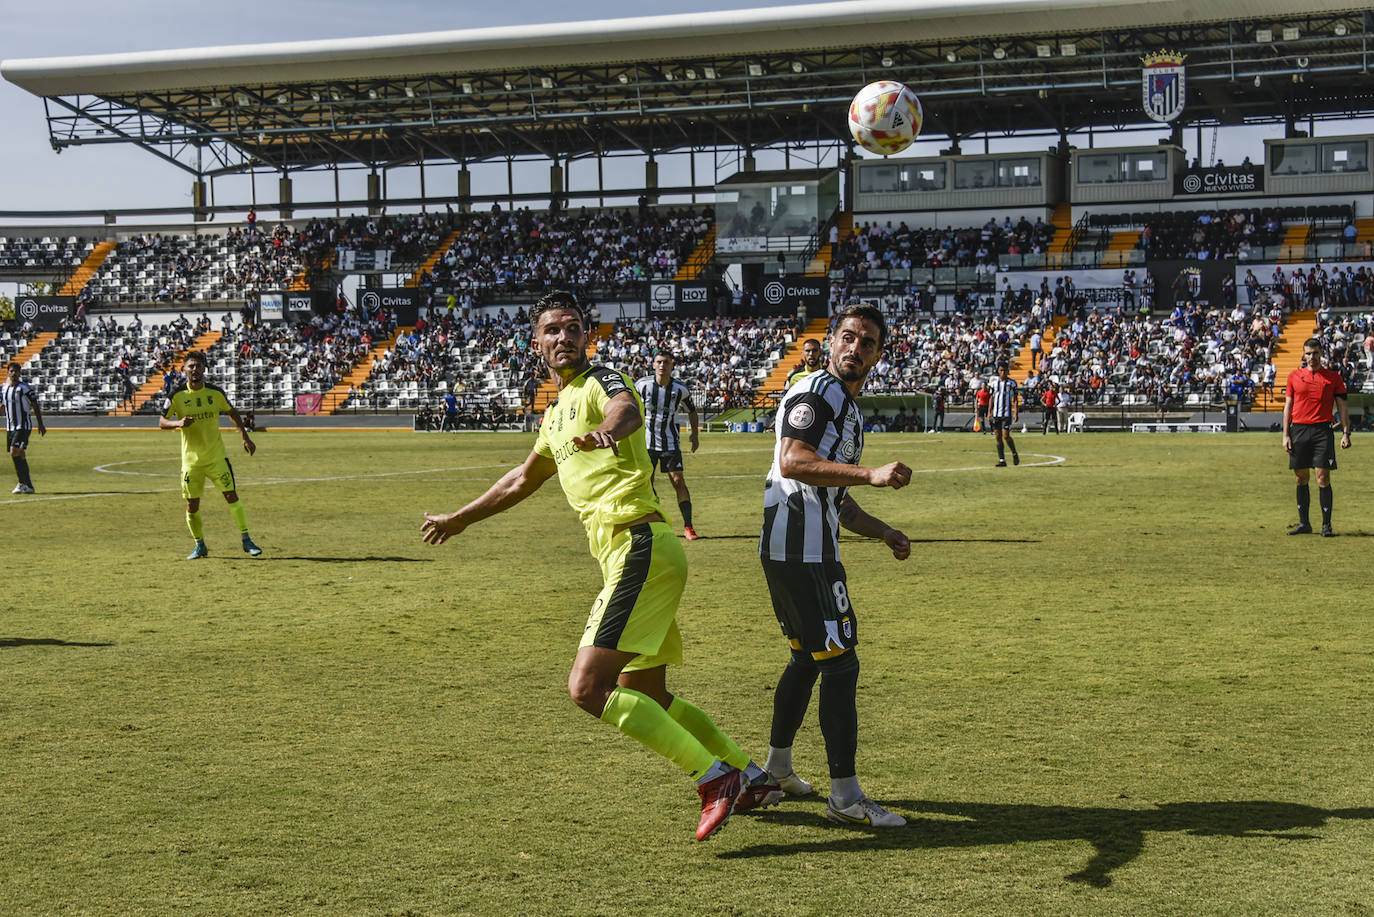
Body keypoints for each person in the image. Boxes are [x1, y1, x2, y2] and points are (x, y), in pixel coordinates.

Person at [421, 291, 777, 842]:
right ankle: (753, 776)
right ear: (536, 343)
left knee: (587, 688)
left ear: (587, 336)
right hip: (642, 552)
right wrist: (461, 518)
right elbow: (520, 480)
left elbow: (626, 409)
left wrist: (612, 429)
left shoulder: (602, 380)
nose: (563, 337)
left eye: (573, 328)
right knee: (649, 694)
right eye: (552, 330)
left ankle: (715, 779)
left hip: (636, 544)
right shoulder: (553, 413)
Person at [759, 302, 912, 828]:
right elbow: (793, 460)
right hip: (803, 552)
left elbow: (838, 500)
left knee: (807, 659)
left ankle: (777, 770)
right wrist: (870, 472)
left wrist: (884, 531)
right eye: (848, 337)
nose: (855, 348)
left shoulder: (849, 410)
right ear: (832, 343)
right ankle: (845, 796)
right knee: (841, 664)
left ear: (878, 355)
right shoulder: (818, 391)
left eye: (867, 342)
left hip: (801, 547)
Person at [159, 350, 262, 559]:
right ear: (184, 369)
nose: (194, 369)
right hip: (191, 462)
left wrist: (245, 436)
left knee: (231, 496)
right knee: (191, 504)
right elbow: (162, 422)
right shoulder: (176, 396)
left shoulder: (215, 393)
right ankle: (199, 545)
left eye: (198, 365)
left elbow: (232, 412)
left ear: (204, 368)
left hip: (216, 458)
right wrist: (178, 423)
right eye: (191, 366)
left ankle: (246, 539)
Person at [1282, 338, 1353, 536]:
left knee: (1323, 477)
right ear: (1303, 355)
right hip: (1299, 431)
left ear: (1321, 353)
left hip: (1323, 431)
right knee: (1301, 478)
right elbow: (1288, 406)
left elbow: (1342, 407)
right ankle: (1304, 524)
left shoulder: (1333, 378)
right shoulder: (1294, 377)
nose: (1311, 357)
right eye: (1308, 353)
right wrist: (1285, 434)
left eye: (1315, 353)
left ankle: (1326, 525)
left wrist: (1346, 433)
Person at [635, 352, 702, 540]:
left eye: (665, 362)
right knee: (647, 483)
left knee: (678, 481)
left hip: (670, 442)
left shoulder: (680, 389)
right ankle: (655, 521)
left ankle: (688, 526)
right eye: (658, 362)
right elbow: (628, 406)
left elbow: (692, 411)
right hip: (646, 442)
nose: (662, 365)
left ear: (671, 364)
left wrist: (695, 435)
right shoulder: (642, 385)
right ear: (653, 364)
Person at [2, 361, 45, 494]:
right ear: (7, 373)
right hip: (10, 428)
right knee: (19, 455)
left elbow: (35, 405)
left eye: (16, 371)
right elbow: (3, 407)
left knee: (14, 451)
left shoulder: (25, 388)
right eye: (11, 371)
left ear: (20, 373)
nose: (14, 373)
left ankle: (22, 483)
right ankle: (28, 485)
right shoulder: (3, 389)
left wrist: (40, 423)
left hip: (23, 426)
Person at [988, 362, 1020, 466]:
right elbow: (991, 398)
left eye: (1005, 370)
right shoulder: (994, 383)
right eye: (1001, 370)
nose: (1003, 373)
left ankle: (1014, 453)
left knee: (1006, 435)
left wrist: (1016, 412)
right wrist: (989, 412)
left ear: (1008, 371)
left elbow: (1015, 399)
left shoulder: (1012, 383)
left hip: (1006, 413)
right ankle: (1002, 460)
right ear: (998, 371)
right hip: (997, 414)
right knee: (998, 436)